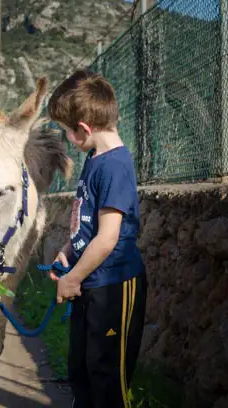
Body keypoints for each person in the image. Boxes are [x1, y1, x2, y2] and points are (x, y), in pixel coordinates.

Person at [46, 68, 148, 408]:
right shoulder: (95, 158)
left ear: (84, 130)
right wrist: (67, 253)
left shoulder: (115, 166)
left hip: (112, 286)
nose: (67, 140)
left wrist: (73, 278)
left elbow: (106, 239)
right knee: (81, 368)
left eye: (66, 132)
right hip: (88, 280)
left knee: (107, 378)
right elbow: (85, 222)